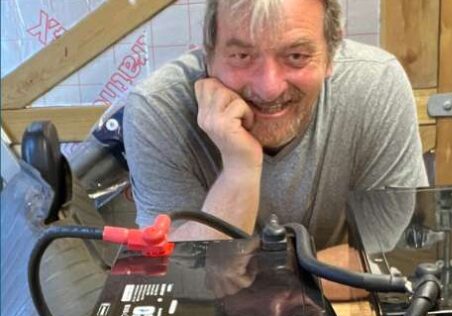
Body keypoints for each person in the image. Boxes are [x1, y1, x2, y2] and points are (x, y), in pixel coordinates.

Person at [124, 0, 427, 263]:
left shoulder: (376, 85)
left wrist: (274, 287)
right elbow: (182, 273)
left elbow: (389, 250)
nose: (268, 88)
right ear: (208, 56)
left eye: (296, 56)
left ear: (331, 55)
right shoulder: (157, 109)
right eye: (242, 56)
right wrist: (239, 171)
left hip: (343, 312)